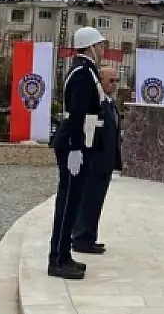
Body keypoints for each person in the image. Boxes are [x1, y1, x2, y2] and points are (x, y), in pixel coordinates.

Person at [47, 26, 106, 280]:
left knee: (72, 203)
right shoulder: (83, 73)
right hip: (74, 144)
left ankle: (64, 254)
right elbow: (77, 113)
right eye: (100, 45)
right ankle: (57, 260)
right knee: (67, 203)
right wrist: (75, 147)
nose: (103, 49)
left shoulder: (87, 71)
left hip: (81, 143)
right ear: (90, 47)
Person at [72, 65, 123, 254]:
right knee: (88, 201)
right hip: (95, 162)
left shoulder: (109, 102)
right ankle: (81, 238)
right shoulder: (96, 103)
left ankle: (90, 236)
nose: (114, 84)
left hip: (105, 163)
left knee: (96, 202)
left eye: (116, 81)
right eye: (111, 81)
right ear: (100, 81)